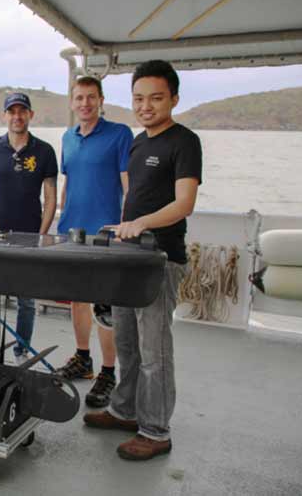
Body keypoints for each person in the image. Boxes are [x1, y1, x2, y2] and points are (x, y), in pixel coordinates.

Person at [83, 60, 202, 461]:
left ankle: (156, 431)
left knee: (155, 352)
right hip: (128, 258)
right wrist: (123, 227)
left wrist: (140, 224)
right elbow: (136, 195)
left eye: (155, 98)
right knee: (127, 344)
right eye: (138, 98)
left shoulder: (184, 141)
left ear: (174, 99)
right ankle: (125, 410)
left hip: (159, 259)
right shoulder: (137, 142)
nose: (145, 106)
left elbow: (184, 203)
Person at [54, 76, 133, 408]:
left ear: (101, 100)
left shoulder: (119, 135)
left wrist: (128, 227)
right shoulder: (68, 138)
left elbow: (128, 185)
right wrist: (60, 220)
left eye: (91, 98)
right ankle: (83, 358)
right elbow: (69, 182)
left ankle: (108, 372)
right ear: (72, 103)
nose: (84, 103)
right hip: (73, 230)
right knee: (78, 300)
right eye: (79, 98)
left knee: (106, 308)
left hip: (107, 234)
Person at [0, 92, 57, 363]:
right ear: (4, 116)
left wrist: (42, 234)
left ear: (30, 115)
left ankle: (21, 351)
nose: (17, 116)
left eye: (22, 111)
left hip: (29, 235)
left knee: (26, 301)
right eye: (11, 111)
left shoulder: (44, 151)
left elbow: (51, 198)